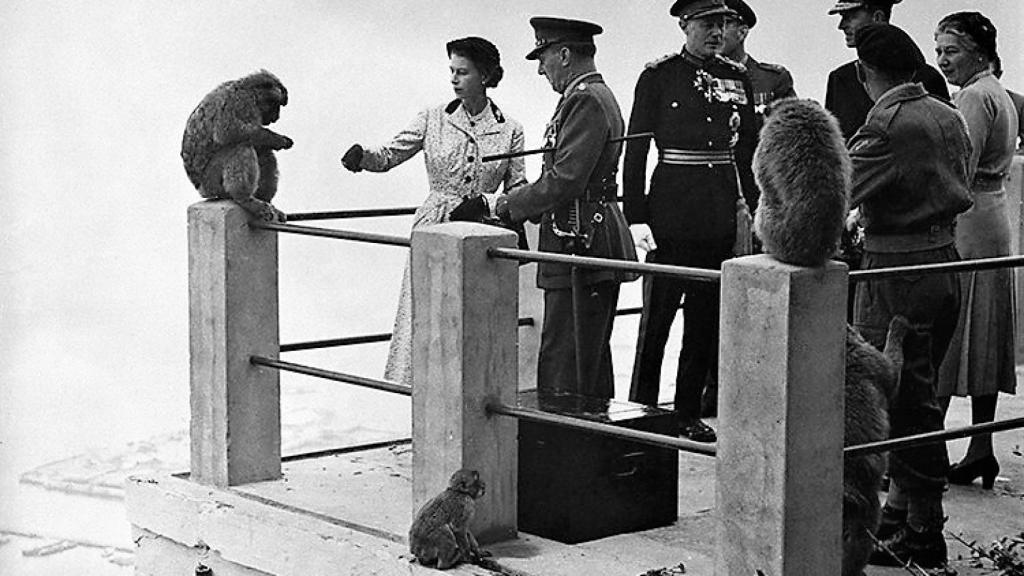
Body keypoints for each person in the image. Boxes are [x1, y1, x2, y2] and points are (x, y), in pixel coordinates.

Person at [846, 23, 973, 568]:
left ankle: (923, 530)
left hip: (897, 271)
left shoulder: (886, 126)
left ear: (865, 73)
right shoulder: (948, 114)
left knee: (902, 399)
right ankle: (902, 511)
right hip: (945, 259)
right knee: (924, 394)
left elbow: (840, 189)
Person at [340, 37, 527, 388]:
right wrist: (362, 156)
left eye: (463, 72)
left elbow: (517, 187)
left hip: (482, 231)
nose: (454, 80)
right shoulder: (432, 118)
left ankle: (473, 398)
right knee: (429, 318)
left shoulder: (510, 128)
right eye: (452, 72)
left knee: (474, 320)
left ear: (485, 75)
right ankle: (428, 400)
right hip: (435, 226)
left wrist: (488, 203)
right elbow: (389, 155)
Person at [622, 0, 758, 442]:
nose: (716, 32)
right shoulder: (659, 76)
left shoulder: (737, 77)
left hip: (718, 210)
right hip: (671, 210)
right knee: (657, 317)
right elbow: (637, 149)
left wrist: (754, 208)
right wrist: (636, 215)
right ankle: (641, 407)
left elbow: (749, 149)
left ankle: (685, 411)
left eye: (722, 23)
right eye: (706, 23)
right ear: (684, 25)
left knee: (704, 319)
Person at [491, 17, 636, 400]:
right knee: (584, 354)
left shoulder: (585, 99)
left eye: (544, 57)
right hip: (580, 235)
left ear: (565, 54)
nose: (541, 68)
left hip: (580, 238)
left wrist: (510, 205)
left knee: (566, 356)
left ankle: (566, 450)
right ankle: (588, 448)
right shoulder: (587, 96)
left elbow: (567, 178)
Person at [934, 11, 1019, 490]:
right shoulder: (1000, 94)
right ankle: (982, 446)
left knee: (948, 329)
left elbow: (955, 171)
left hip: (968, 220)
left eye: (952, 51)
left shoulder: (973, 97)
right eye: (940, 50)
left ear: (980, 53)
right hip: (994, 213)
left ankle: (927, 448)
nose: (943, 60)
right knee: (985, 330)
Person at [824, 0, 950, 140]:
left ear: (878, 18)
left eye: (850, 17)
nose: (841, 26)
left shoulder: (928, 78)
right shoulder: (840, 79)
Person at [721, 0, 796, 115]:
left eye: (723, 24)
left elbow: (791, 126)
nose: (716, 32)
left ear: (742, 32)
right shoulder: (700, 76)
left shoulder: (773, 79)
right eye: (709, 25)